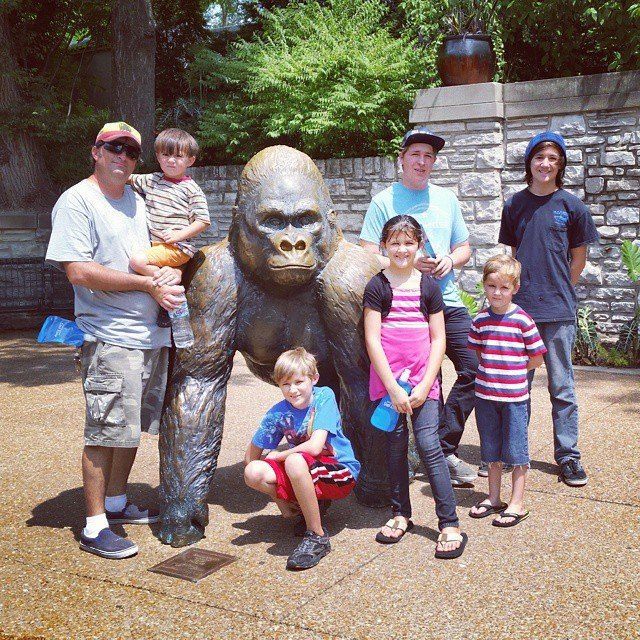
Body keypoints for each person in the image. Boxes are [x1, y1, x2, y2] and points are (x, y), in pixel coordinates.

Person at [45, 121, 184, 559]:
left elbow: (152, 255)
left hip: (150, 335)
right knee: (104, 431)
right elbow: (79, 271)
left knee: (131, 428)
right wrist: (145, 287)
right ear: (96, 152)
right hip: (109, 336)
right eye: (115, 148)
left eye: (131, 151)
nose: (123, 157)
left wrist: (167, 271)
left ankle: (117, 503)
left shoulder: (136, 202)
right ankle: (93, 525)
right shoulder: (77, 201)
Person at [360, 126, 478, 487]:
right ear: (402, 159)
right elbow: (366, 251)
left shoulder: (447, 199)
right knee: (427, 381)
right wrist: (407, 267)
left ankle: (439, 448)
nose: (422, 161)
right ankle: (427, 455)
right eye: (416, 155)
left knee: (475, 369)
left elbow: (465, 248)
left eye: (429, 156)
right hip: (400, 306)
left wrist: (449, 261)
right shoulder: (383, 201)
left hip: (447, 302)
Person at [363, 215, 467, 559]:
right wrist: (392, 387)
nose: (402, 249)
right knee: (394, 448)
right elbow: (372, 340)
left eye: (409, 242)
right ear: (383, 246)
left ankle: (449, 522)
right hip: (389, 384)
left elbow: (439, 339)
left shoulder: (428, 286)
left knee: (428, 445)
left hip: (424, 382)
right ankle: (400, 513)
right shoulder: (377, 287)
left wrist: (424, 383)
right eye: (395, 242)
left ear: (419, 245)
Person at [499, 131, 599, 486]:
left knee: (562, 388)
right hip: (519, 312)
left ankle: (568, 457)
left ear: (560, 166)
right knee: (515, 388)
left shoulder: (572, 206)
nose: (546, 164)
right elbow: (509, 257)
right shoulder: (513, 205)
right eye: (540, 157)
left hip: (558, 311)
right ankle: (514, 454)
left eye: (553, 159)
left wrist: (558, 289)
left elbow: (579, 259)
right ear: (529, 162)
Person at [243, 348, 360, 571]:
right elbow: (250, 459)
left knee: (294, 460)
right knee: (254, 472)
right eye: (285, 384)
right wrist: (281, 501)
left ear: (313, 379)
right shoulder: (277, 413)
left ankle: (317, 535)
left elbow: (316, 446)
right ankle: (303, 506)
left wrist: (280, 454)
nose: (293, 390)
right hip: (307, 469)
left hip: (340, 472)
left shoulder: (323, 397)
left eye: (299, 382)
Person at [468, 255, 547, 526]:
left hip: (514, 398)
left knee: (516, 450)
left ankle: (517, 502)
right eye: (491, 286)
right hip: (486, 397)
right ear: (484, 286)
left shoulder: (523, 321)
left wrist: (512, 372)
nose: (497, 293)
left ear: (515, 288)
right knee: (490, 449)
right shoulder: (480, 321)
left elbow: (536, 358)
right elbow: (479, 352)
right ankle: (493, 498)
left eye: (504, 287)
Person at [128, 128, 211, 330]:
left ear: (190, 161)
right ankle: (169, 295)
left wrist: (178, 236)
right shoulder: (153, 180)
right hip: (159, 247)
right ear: (158, 156)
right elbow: (127, 178)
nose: (171, 161)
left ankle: (171, 290)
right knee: (148, 264)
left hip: (177, 248)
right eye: (166, 155)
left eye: (178, 156)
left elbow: (203, 221)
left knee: (137, 261)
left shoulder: (191, 189)